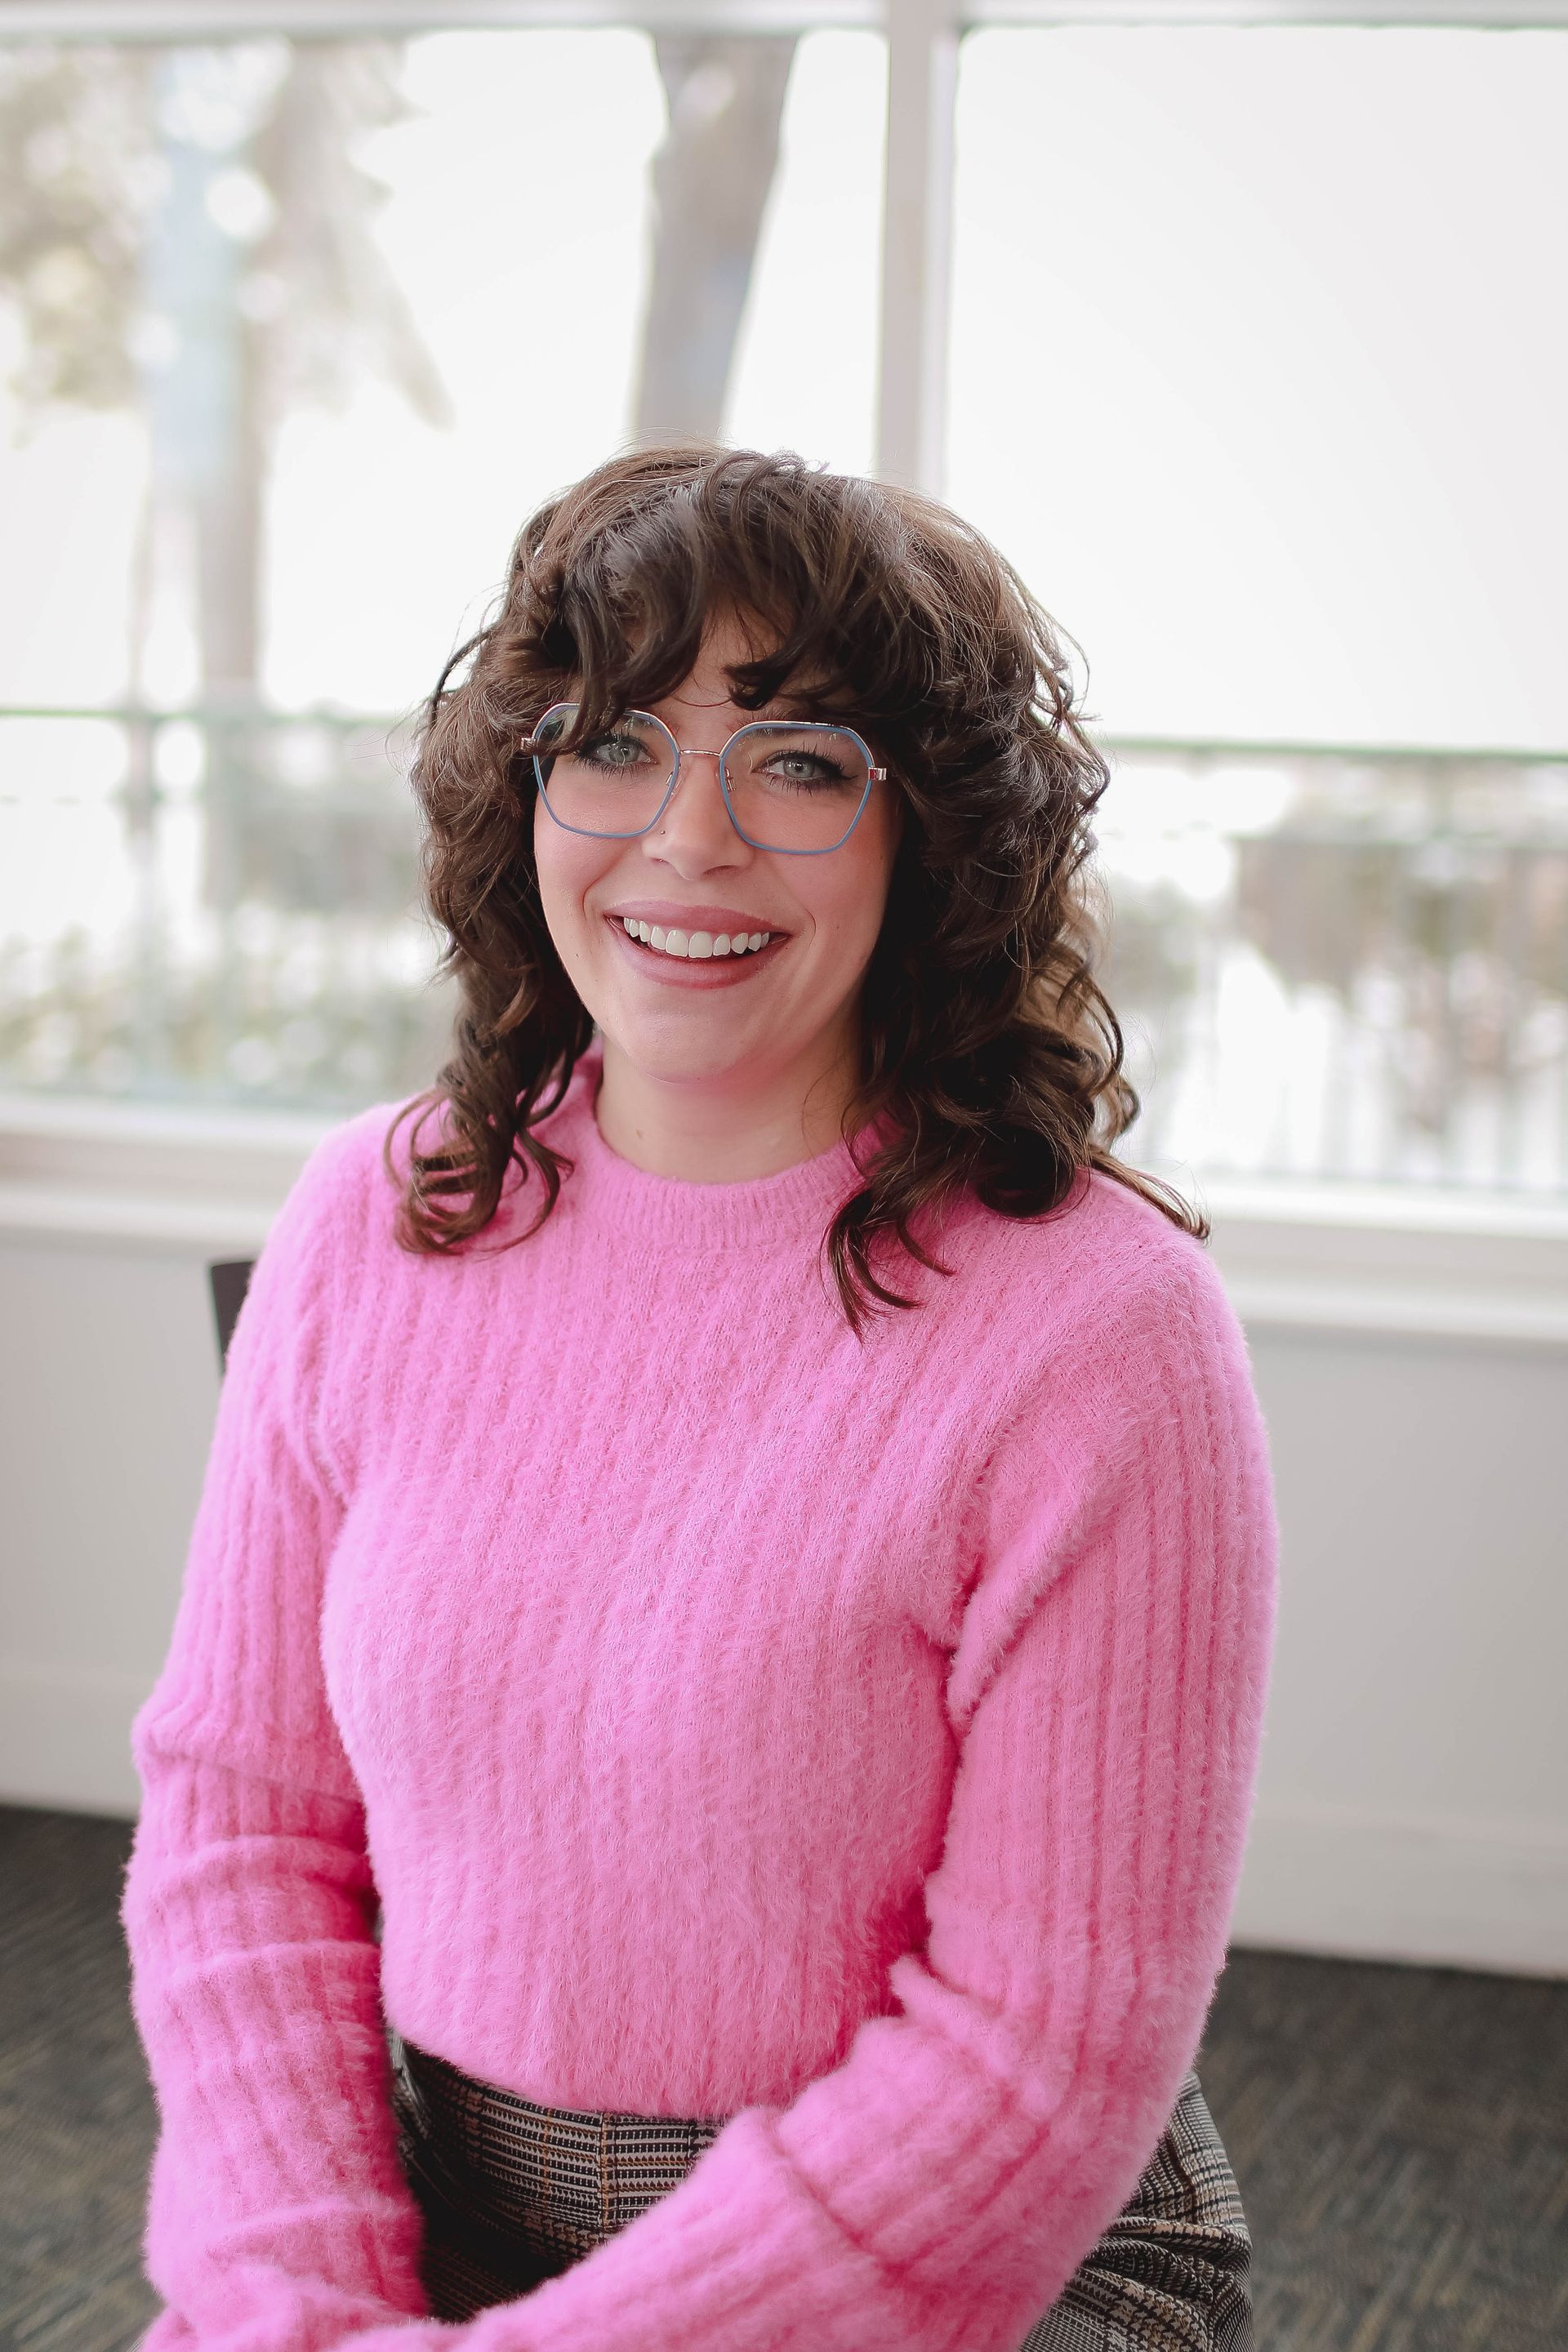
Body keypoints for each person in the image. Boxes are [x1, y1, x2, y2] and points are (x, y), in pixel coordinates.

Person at [121, 442, 1279, 2352]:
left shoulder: (1103, 1334)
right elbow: (246, 1829)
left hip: (982, 2250)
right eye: (611, 740)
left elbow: (1032, 2062)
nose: (688, 839)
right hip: (446, 2201)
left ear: (935, 841)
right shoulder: (379, 1215)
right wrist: (293, 2301)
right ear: (528, 785)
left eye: (801, 762)